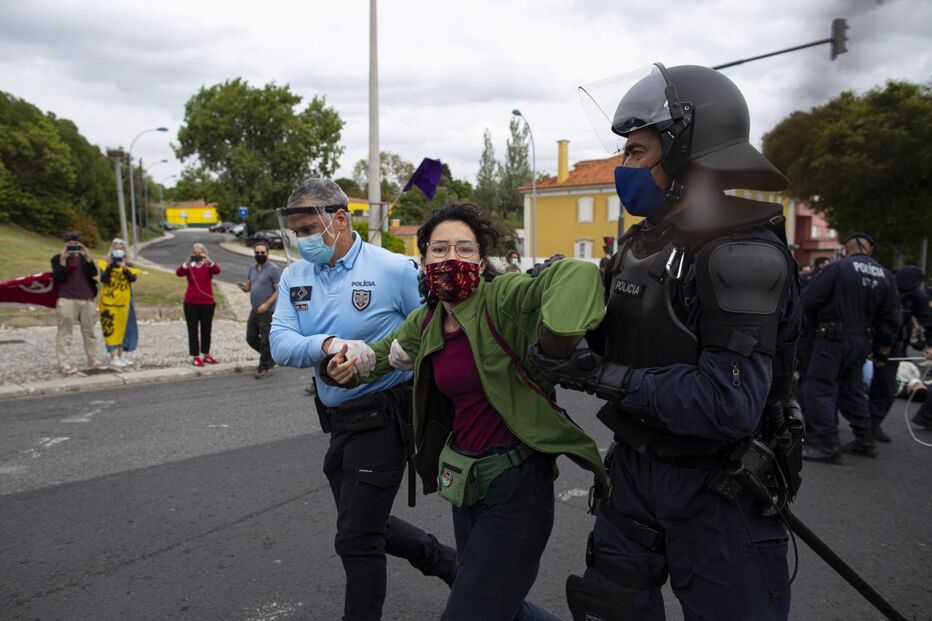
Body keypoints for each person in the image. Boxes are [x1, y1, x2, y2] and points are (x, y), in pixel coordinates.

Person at [530, 63, 802, 620]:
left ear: (686, 154)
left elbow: (728, 403)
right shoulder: (640, 244)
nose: (621, 168)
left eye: (636, 153)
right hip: (635, 470)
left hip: (718, 487)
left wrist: (595, 375)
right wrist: (558, 338)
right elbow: (616, 340)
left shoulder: (740, 256)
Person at [324, 202, 607, 621]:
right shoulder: (424, 323)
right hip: (465, 485)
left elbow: (578, 273)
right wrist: (343, 366)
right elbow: (380, 359)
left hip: (517, 485)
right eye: (439, 249)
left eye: (463, 249)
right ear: (422, 260)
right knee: (502, 608)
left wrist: (557, 340)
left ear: (481, 258)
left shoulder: (504, 298)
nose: (450, 259)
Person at [270, 178, 457, 621]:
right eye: (296, 232)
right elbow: (280, 342)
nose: (303, 240)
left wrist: (383, 359)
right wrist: (329, 345)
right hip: (338, 422)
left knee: (356, 539)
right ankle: (447, 562)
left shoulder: (391, 269)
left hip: (384, 420)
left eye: (308, 228)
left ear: (339, 218)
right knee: (366, 523)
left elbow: (433, 330)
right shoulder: (294, 275)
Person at [799, 232, 900, 461]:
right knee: (852, 390)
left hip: (831, 338)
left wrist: (809, 333)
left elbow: (808, 301)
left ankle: (827, 444)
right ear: (870, 248)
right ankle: (865, 440)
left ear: (846, 249)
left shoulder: (837, 268)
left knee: (819, 387)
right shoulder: (885, 275)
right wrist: (883, 349)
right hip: (862, 340)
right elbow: (892, 316)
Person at [867, 265, 932, 441]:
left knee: (885, 386)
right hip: (866, 338)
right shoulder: (882, 284)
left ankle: (872, 424)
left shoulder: (916, 295)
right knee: (850, 384)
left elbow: (928, 320)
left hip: (892, 344)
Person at [51, 231, 106, 374]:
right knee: (65, 332)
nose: (72, 247)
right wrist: (63, 260)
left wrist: (87, 256)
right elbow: (59, 278)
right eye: (69, 244)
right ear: (64, 245)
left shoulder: (83, 259)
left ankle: (93, 359)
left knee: (90, 331)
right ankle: (64, 363)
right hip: (67, 298)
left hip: (87, 298)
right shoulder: (57, 259)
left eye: (75, 244)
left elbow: (93, 273)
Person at [238, 242, 281, 379]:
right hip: (255, 309)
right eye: (257, 252)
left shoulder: (273, 269)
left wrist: (267, 305)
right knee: (250, 337)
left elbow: (279, 290)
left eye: (262, 252)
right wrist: (244, 287)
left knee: (265, 340)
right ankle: (270, 358)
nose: (260, 255)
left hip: (267, 311)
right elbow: (249, 286)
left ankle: (263, 367)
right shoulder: (252, 269)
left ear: (267, 253)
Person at [97, 238, 141, 369]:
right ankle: (113, 356)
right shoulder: (105, 264)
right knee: (111, 327)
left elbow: (132, 278)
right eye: (116, 248)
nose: (118, 251)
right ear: (112, 250)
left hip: (125, 301)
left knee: (125, 327)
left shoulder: (129, 265)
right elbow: (104, 279)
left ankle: (121, 356)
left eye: (121, 249)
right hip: (110, 302)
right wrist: (111, 267)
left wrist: (125, 268)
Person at [176, 243, 220, 367]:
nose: (197, 255)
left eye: (199, 253)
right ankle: (195, 355)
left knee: (206, 329)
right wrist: (187, 262)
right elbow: (179, 273)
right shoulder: (190, 267)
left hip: (207, 302)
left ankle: (206, 353)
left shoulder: (208, 266)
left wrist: (208, 261)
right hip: (191, 303)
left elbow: (217, 271)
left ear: (204, 253)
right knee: (192, 330)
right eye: (195, 253)